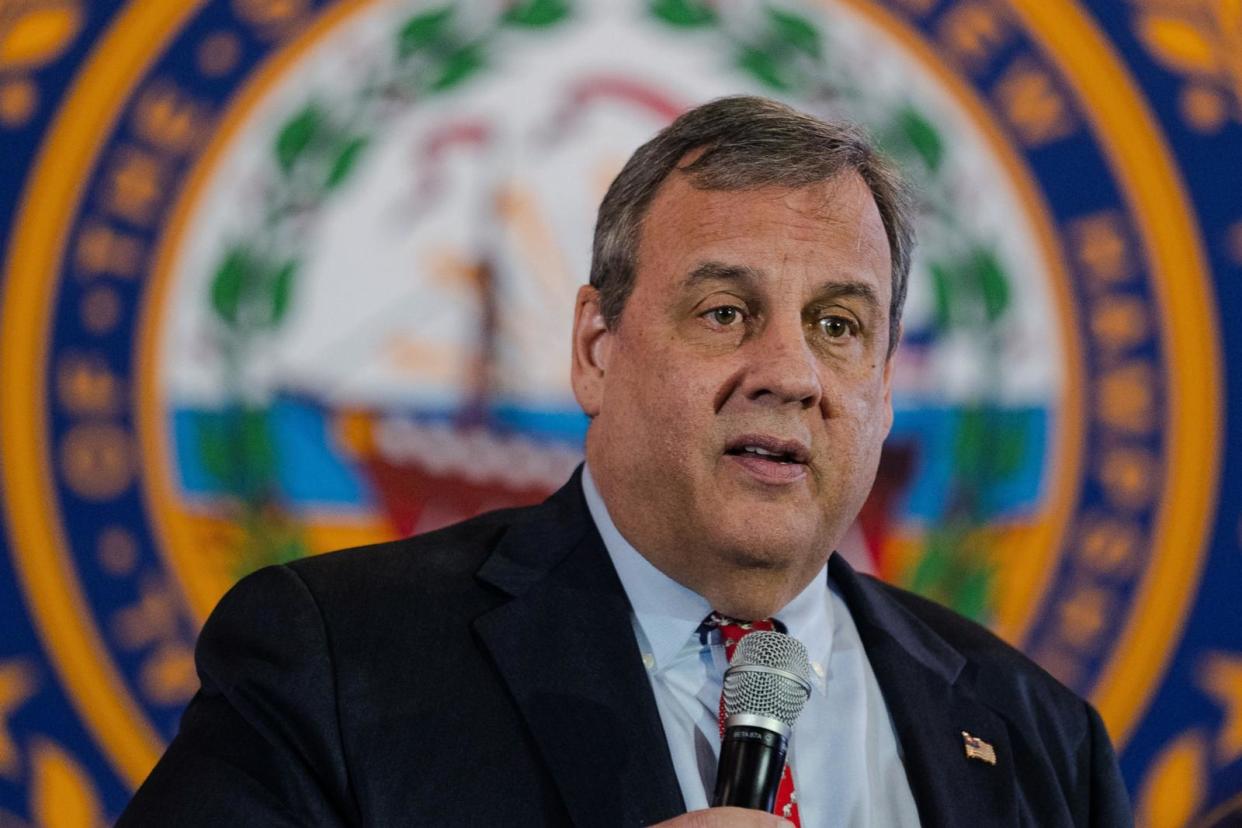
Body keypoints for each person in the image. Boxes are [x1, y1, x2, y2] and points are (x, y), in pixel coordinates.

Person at [119, 96, 1132, 826]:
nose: (789, 371)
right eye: (725, 312)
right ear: (596, 349)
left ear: (882, 384)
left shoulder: (1038, 736)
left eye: (838, 324)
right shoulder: (335, 663)